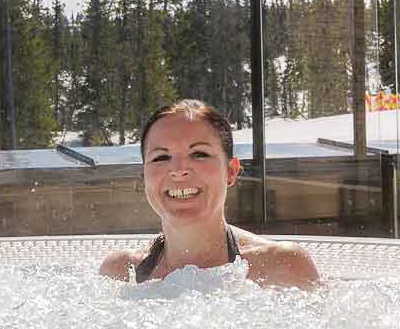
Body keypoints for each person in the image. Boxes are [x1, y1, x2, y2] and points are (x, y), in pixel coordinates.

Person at [99, 100, 322, 290]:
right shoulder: (121, 273)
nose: (178, 170)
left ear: (232, 171)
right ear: (144, 175)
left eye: (199, 154)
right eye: (160, 157)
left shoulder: (283, 266)